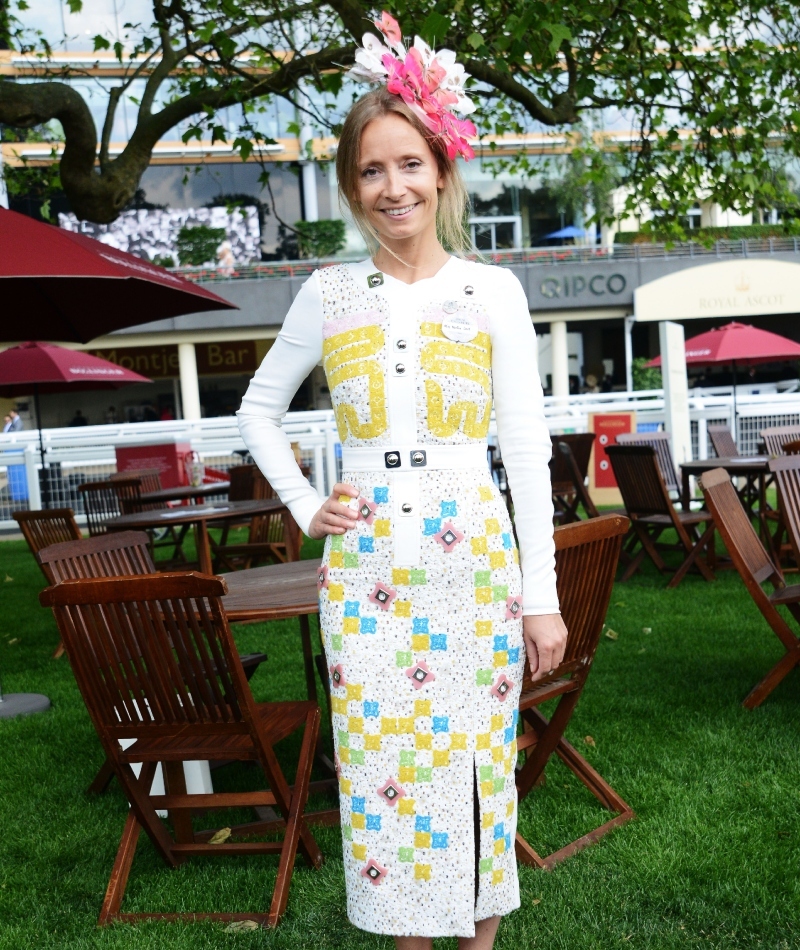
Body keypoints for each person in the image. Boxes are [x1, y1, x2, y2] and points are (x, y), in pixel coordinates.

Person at [238, 12, 567, 949]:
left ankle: (479, 940)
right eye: (372, 171)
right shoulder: (328, 295)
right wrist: (307, 504)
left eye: (410, 164)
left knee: (477, 763)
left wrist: (540, 598)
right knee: (387, 771)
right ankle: (410, 939)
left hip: (477, 559)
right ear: (351, 187)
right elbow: (256, 412)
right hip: (369, 569)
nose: (394, 187)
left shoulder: (492, 291)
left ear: (443, 170)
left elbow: (528, 450)